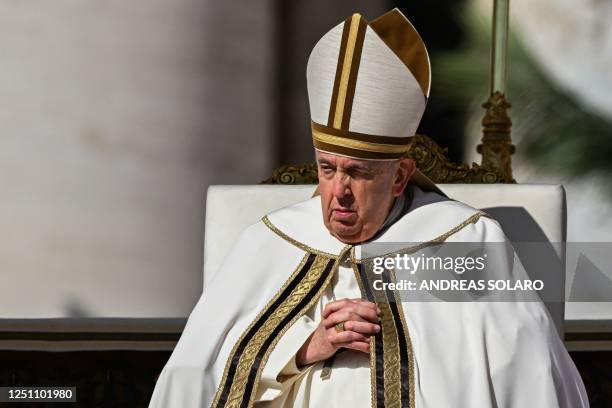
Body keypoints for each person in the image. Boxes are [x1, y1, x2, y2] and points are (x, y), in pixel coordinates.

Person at [149, 9, 588, 408]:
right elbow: (192, 380)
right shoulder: (268, 241)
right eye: (326, 169)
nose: (337, 191)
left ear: (399, 177)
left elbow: (530, 375)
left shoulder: (467, 240)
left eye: (357, 173)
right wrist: (304, 349)